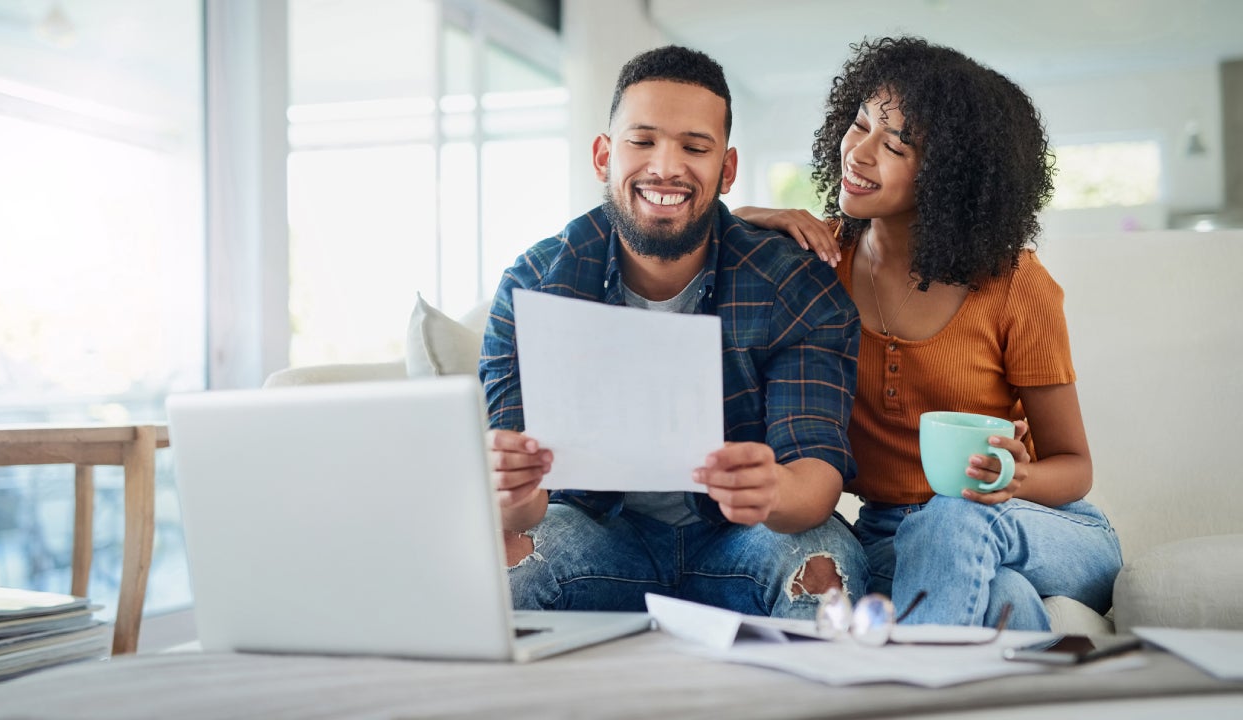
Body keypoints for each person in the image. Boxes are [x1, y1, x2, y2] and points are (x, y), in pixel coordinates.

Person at [736, 36, 1122, 630]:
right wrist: (747, 219)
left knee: (954, 514)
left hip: (1040, 524)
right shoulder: (817, 266)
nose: (859, 153)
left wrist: (1017, 477)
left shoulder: (1016, 285)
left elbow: (1075, 467)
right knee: (1005, 602)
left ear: (952, 177)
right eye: (859, 124)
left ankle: (908, 687)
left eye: (895, 144)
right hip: (893, 536)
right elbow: (704, 253)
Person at [480, 45, 868, 619]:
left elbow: (814, 475)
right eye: (642, 141)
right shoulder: (533, 285)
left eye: (694, 146)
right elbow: (523, 511)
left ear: (727, 169)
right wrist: (509, 491)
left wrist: (773, 491)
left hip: (743, 540)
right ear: (603, 156)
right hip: (598, 536)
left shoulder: (793, 284)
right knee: (500, 567)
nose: (665, 167)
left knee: (824, 566)